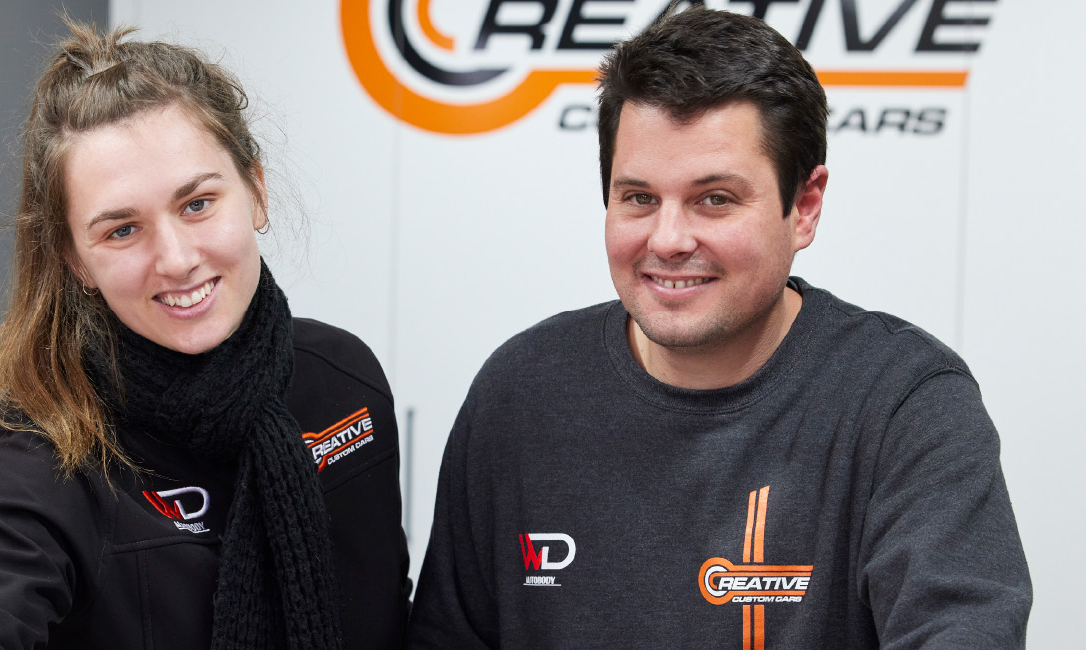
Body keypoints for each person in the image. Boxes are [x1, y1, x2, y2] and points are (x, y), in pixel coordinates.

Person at [406, 6, 1031, 649]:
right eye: (639, 198)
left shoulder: (904, 403)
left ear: (804, 207)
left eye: (715, 200)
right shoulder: (521, 393)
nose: (668, 240)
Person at [0, 18, 409, 650]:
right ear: (76, 260)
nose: (175, 259)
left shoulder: (344, 380)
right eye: (122, 230)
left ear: (256, 190)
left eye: (197, 204)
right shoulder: (51, 443)